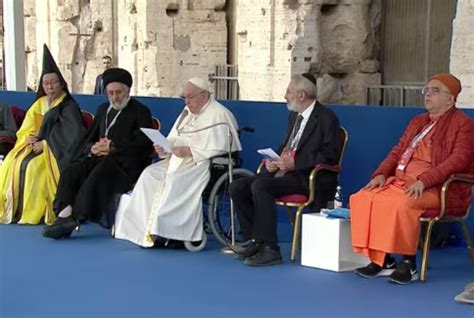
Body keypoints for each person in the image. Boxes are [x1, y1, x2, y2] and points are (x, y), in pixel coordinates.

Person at [350, 73, 474, 284]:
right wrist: (380, 174)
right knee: (362, 198)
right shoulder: (418, 121)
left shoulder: (464, 124)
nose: (428, 95)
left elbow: (458, 161)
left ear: (450, 98)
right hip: (400, 181)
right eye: (426, 90)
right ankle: (383, 260)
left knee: (402, 204)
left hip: (437, 188)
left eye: (435, 91)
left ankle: (408, 263)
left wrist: (425, 180)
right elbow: (397, 151)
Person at [228, 73, 342, 266]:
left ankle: (271, 249)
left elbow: (330, 155)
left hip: (307, 177)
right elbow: (286, 146)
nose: (285, 96)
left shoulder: (326, 118)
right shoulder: (294, 116)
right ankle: (255, 240)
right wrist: (275, 160)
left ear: (301, 95)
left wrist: (296, 163)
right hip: (285, 173)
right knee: (237, 187)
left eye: (288, 91)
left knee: (261, 186)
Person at [113, 77, 241, 248]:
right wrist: (165, 149)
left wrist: (190, 151)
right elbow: (174, 138)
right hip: (177, 159)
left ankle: (177, 234)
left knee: (175, 180)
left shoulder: (219, 114)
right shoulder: (187, 113)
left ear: (204, 96)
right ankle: (146, 231)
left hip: (203, 163)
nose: (186, 102)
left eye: (190, 97)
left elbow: (222, 146)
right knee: (149, 175)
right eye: (184, 97)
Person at [42, 68, 153, 239]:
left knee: (100, 172)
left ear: (127, 91)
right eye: (111, 93)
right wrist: (92, 147)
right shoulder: (103, 109)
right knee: (72, 170)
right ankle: (64, 213)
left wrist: (114, 147)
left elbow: (144, 144)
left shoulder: (140, 111)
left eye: (118, 92)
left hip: (125, 163)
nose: (115, 97)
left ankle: (74, 216)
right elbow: (89, 137)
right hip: (99, 158)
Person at [0, 44, 86, 225]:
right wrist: (29, 138)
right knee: (12, 163)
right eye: (46, 83)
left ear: (61, 83)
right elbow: (26, 127)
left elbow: (72, 136)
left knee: (32, 168)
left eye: (53, 83)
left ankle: (33, 213)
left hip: (55, 153)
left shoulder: (68, 107)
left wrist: (45, 145)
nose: (50, 87)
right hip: (34, 146)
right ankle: (14, 210)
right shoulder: (39, 104)